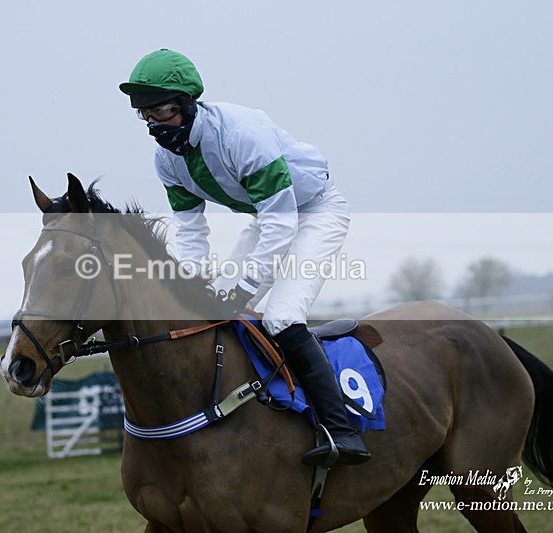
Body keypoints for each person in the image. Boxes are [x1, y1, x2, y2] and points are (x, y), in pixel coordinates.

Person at [119, 49, 370, 467]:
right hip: (268, 217)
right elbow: (190, 230)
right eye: (145, 115)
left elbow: (281, 224)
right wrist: (192, 286)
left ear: (185, 104)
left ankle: (341, 430)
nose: (153, 126)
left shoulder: (242, 135)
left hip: (313, 212)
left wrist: (245, 286)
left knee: (281, 316)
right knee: (213, 305)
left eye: (160, 112)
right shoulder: (166, 159)